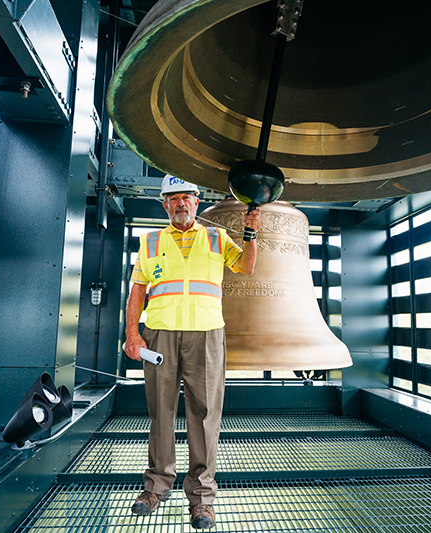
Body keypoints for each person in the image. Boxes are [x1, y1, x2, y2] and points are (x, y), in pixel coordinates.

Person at [123, 174, 261, 530]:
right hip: (160, 336)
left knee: (204, 415)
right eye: (173, 198)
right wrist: (133, 334)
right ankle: (156, 488)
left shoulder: (216, 236)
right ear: (164, 204)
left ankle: (201, 499)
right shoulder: (150, 242)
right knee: (161, 412)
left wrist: (251, 233)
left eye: (186, 197)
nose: (180, 203)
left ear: (197, 202)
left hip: (206, 333)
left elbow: (246, 266)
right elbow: (138, 292)